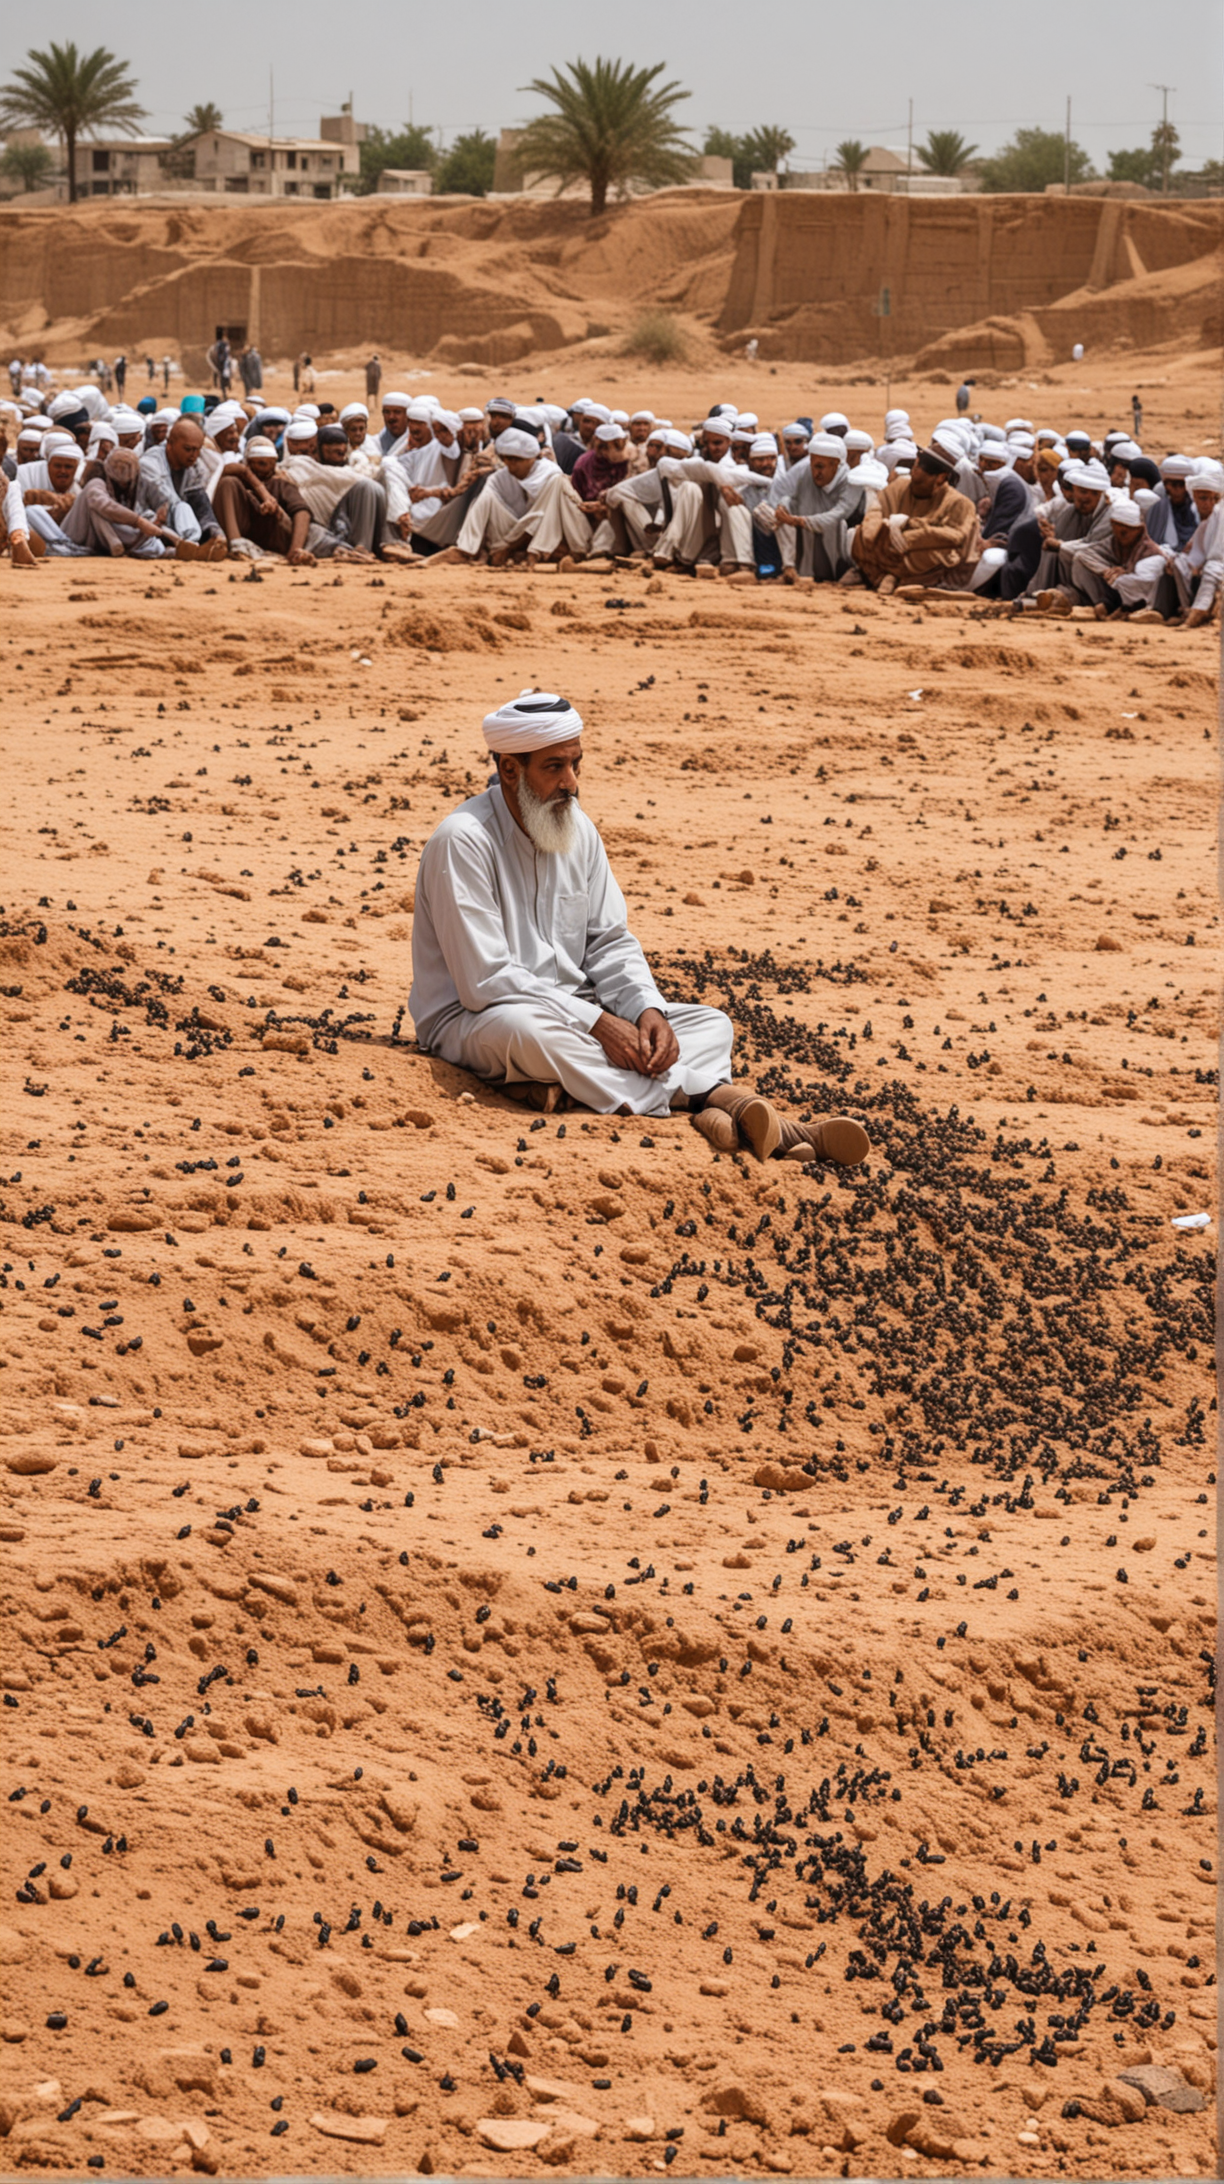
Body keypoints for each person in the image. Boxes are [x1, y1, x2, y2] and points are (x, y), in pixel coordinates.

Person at [408, 688, 871, 1164]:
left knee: (711, 1025)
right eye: (553, 768)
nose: (571, 782)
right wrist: (601, 1023)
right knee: (527, 1032)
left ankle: (587, 1095)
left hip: (579, 1014)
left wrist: (648, 1011)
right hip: (477, 1019)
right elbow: (487, 981)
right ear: (510, 769)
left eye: (576, 764)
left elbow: (608, 942)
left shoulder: (576, 828)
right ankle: (711, 1099)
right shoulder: (463, 842)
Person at [850, 440, 982, 595]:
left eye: (918, 468)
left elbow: (956, 536)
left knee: (937, 554)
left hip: (926, 555)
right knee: (858, 535)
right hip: (890, 547)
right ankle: (882, 578)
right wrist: (874, 531)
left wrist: (910, 531)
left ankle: (898, 579)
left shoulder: (960, 503)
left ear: (940, 478)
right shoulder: (900, 486)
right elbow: (877, 509)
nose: (913, 471)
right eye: (915, 466)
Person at [213, 436, 317, 563]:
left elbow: (302, 513)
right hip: (244, 534)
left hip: (273, 541)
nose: (262, 468)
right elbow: (222, 472)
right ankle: (237, 547)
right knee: (227, 482)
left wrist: (295, 550)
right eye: (257, 463)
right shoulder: (239, 482)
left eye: (267, 464)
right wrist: (254, 482)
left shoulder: (280, 484)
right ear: (247, 462)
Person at [140, 417, 225, 547]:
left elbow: (199, 502)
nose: (194, 455)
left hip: (179, 525)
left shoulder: (195, 467)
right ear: (170, 444)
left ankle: (204, 541)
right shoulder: (150, 464)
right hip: (151, 522)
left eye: (197, 450)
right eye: (188, 449)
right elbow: (167, 502)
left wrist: (214, 531)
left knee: (193, 502)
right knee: (181, 508)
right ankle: (189, 544)